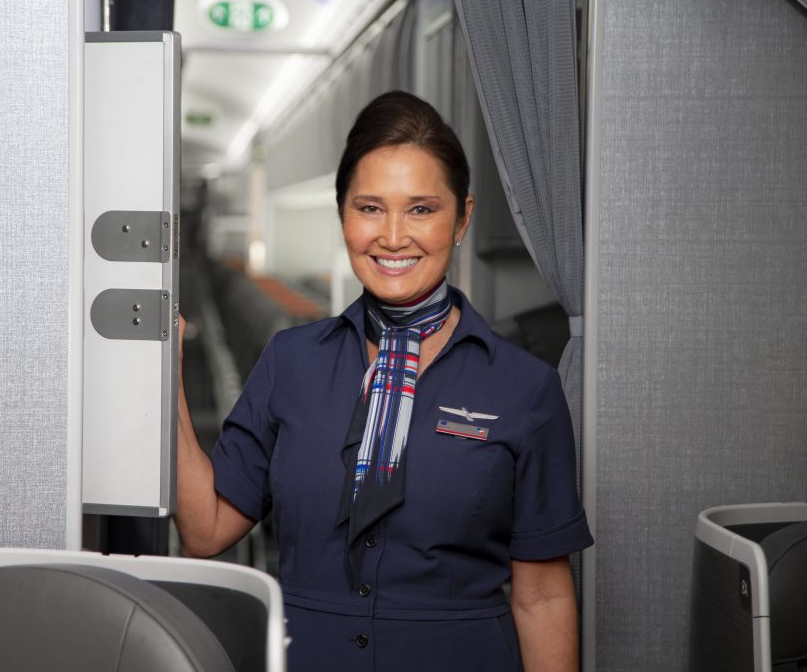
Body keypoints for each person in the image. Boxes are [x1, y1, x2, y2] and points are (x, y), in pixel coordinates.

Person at [175, 90, 593, 671]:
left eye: (421, 209)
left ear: (462, 218)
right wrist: (162, 380)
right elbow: (206, 530)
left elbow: (543, 596)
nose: (393, 236)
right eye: (370, 208)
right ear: (343, 214)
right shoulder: (291, 361)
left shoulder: (524, 388)